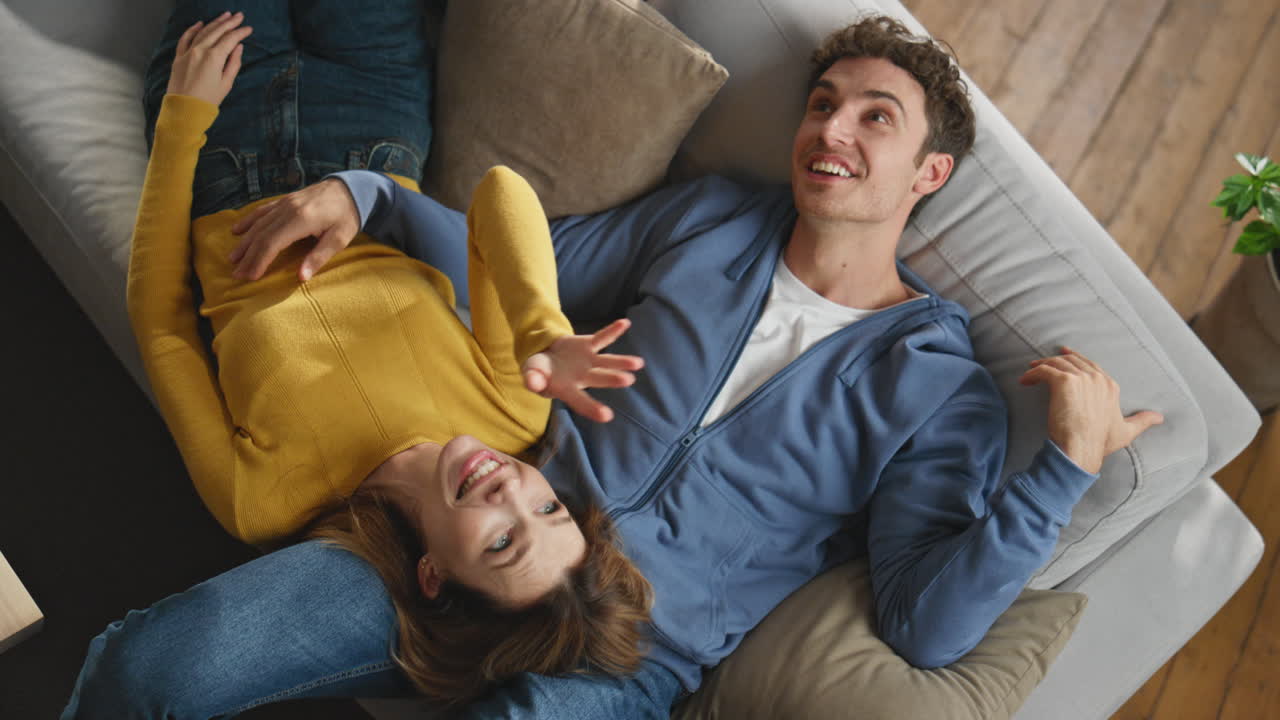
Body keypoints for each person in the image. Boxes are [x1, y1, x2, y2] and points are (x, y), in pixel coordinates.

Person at [64, 14, 1164, 720]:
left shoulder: (937, 388)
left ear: (927, 171)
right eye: (824, 103)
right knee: (147, 671)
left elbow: (925, 622)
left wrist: (1061, 470)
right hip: (479, 536)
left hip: (627, 654)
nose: (832, 128)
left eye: (875, 118)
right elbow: (523, 249)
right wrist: (373, 199)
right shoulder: (712, 223)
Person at [67, 1, 658, 712]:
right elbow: (503, 194)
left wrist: (181, 119)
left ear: (434, 575)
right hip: (370, 125)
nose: (513, 492)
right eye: (549, 508)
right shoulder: (515, 408)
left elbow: (161, 323)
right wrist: (541, 329)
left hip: (222, 144)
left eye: (502, 541)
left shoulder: (261, 500)